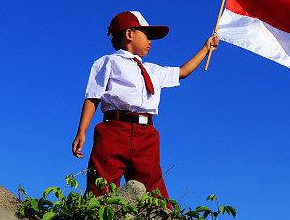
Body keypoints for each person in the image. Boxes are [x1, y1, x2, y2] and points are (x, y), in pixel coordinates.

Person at [72, 11, 218, 203]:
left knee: (153, 189)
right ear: (129, 34)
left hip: (146, 134)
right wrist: (81, 131)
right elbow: (93, 97)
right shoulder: (108, 62)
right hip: (113, 129)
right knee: (100, 184)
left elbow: (182, 72)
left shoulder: (153, 70)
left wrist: (205, 49)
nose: (151, 41)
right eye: (146, 35)